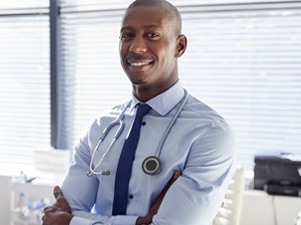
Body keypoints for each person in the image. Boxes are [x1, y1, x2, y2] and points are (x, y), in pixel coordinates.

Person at [42, 0, 235, 224]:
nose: (136, 47)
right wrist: (142, 221)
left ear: (179, 46)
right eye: (127, 36)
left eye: (152, 35)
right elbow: (65, 211)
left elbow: (64, 220)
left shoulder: (209, 133)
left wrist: (73, 222)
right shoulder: (100, 128)